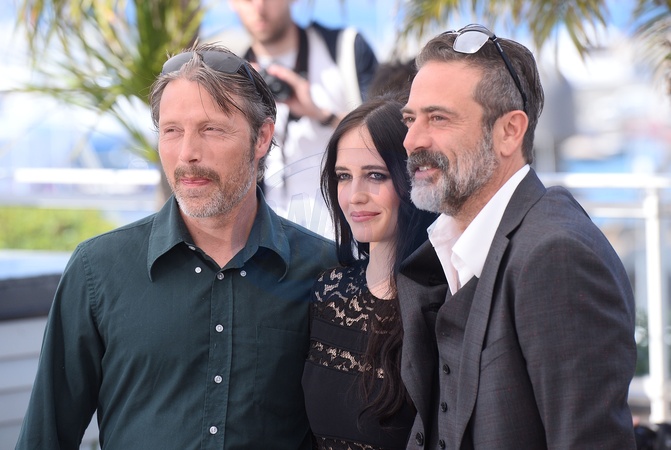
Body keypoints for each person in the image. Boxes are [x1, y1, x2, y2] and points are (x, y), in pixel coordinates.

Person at [15, 43, 337, 450]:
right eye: (172, 131)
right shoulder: (97, 270)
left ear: (261, 138)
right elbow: (44, 438)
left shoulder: (325, 271)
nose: (187, 154)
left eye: (211, 129)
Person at [397, 24, 637, 449]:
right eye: (410, 119)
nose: (412, 140)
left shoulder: (557, 255)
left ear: (509, 131)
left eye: (438, 118)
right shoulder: (449, 250)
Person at [302, 94, 437, 449]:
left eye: (375, 175)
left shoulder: (445, 299)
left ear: (414, 178)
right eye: (343, 177)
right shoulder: (328, 292)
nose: (354, 196)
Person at [230, 0, 378, 234]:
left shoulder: (346, 49)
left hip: (347, 241)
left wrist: (321, 115)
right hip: (271, 245)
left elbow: (390, 136)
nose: (259, 7)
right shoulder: (234, 76)